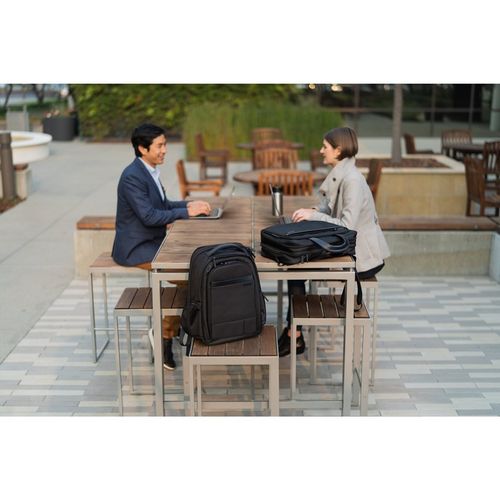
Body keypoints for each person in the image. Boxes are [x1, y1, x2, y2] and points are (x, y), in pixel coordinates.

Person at [279, 126, 390, 357]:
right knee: (295, 259)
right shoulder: (342, 174)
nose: (321, 151)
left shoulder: (352, 181)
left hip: (361, 258)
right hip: (348, 248)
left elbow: (347, 226)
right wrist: (311, 212)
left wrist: (313, 217)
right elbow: (328, 208)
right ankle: (294, 333)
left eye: (325, 147)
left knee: (296, 265)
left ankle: (294, 335)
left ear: (338, 150)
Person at [112, 123, 211, 369]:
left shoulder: (148, 170)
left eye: (165, 144)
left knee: (195, 269)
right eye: (160, 146)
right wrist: (187, 213)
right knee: (190, 276)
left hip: (154, 241)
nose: (165, 150)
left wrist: (189, 205)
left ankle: (177, 326)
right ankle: (164, 335)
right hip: (136, 248)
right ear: (142, 148)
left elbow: (164, 205)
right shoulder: (132, 176)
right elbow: (149, 216)